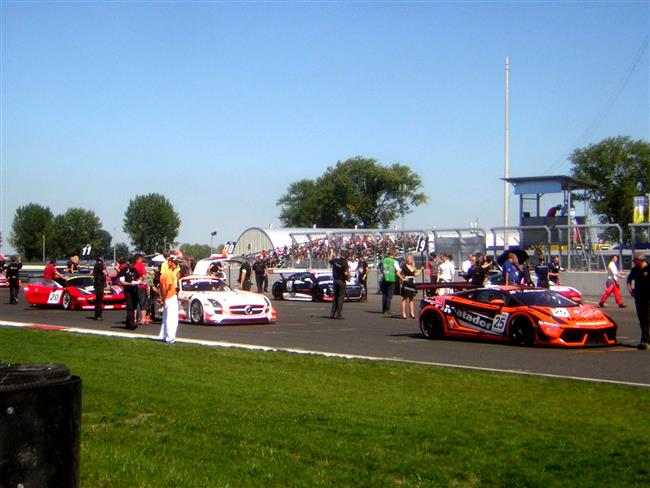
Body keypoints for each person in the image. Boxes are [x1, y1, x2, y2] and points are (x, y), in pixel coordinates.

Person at [626, 251, 649, 350]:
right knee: (642, 320)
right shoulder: (635, 269)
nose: (634, 263)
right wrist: (630, 290)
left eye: (635, 261)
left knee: (647, 320)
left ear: (640, 260)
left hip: (648, 299)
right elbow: (629, 280)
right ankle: (644, 340)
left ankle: (646, 341)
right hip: (639, 298)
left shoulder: (648, 268)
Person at [158, 255, 180, 344]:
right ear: (169, 263)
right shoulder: (169, 273)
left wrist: (162, 298)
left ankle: (163, 335)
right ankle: (170, 338)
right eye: (174, 262)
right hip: (170, 296)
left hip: (167, 297)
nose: (175, 264)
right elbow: (167, 287)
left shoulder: (163, 274)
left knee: (166, 318)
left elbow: (162, 288)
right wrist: (163, 297)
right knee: (172, 319)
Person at [397, 254, 423, 319]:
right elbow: (397, 273)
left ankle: (412, 313)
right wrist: (402, 279)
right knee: (405, 298)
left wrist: (420, 270)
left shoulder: (413, 266)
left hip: (412, 283)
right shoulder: (403, 266)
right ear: (406, 259)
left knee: (411, 298)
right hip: (406, 283)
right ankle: (403, 313)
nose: (409, 260)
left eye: (410, 259)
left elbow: (415, 274)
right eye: (408, 259)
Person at [119, 258, 142, 330]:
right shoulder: (123, 271)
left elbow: (139, 277)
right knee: (130, 307)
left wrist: (138, 281)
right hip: (128, 290)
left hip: (134, 290)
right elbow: (122, 281)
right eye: (132, 264)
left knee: (134, 306)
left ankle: (128, 323)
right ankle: (131, 324)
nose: (133, 266)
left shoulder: (134, 270)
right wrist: (130, 283)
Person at [328, 248, 349, 319]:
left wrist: (331, 252)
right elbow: (346, 273)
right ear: (346, 256)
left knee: (335, 298)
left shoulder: (336, 260)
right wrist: (348, 278)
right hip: (341, 281)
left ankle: (332, 314)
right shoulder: (345, 263)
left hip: (335, 280)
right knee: (340, 298)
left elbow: (329, 260)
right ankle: (338, 314)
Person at [380, 249, 400, 315]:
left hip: (384, 278)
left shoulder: (384, 261)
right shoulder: (394, 261)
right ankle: (387, 309)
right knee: (389, 295)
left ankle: (383, 309)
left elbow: (381, 269)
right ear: (393, 255)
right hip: (392, 279)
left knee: (384, 294)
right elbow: (398, 270)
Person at [133, 254, 150, 325]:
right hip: (141, 286)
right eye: (141, 259)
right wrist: (140, 280)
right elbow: (144, 275)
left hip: (134, 286)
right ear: (138, 259)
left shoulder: (133, 266)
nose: (142, 260)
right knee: (143, 303)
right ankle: (143, 319)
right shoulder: (140, 265)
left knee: (135, 303)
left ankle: (135, 319)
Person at [92, 256, 107, 320]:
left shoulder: (96, 265)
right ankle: (98, 315)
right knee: (99, 300)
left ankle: (97, 315)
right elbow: (105, 273)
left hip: (97, 283)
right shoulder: (100, 265)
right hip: (99, 284)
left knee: (98, 300)